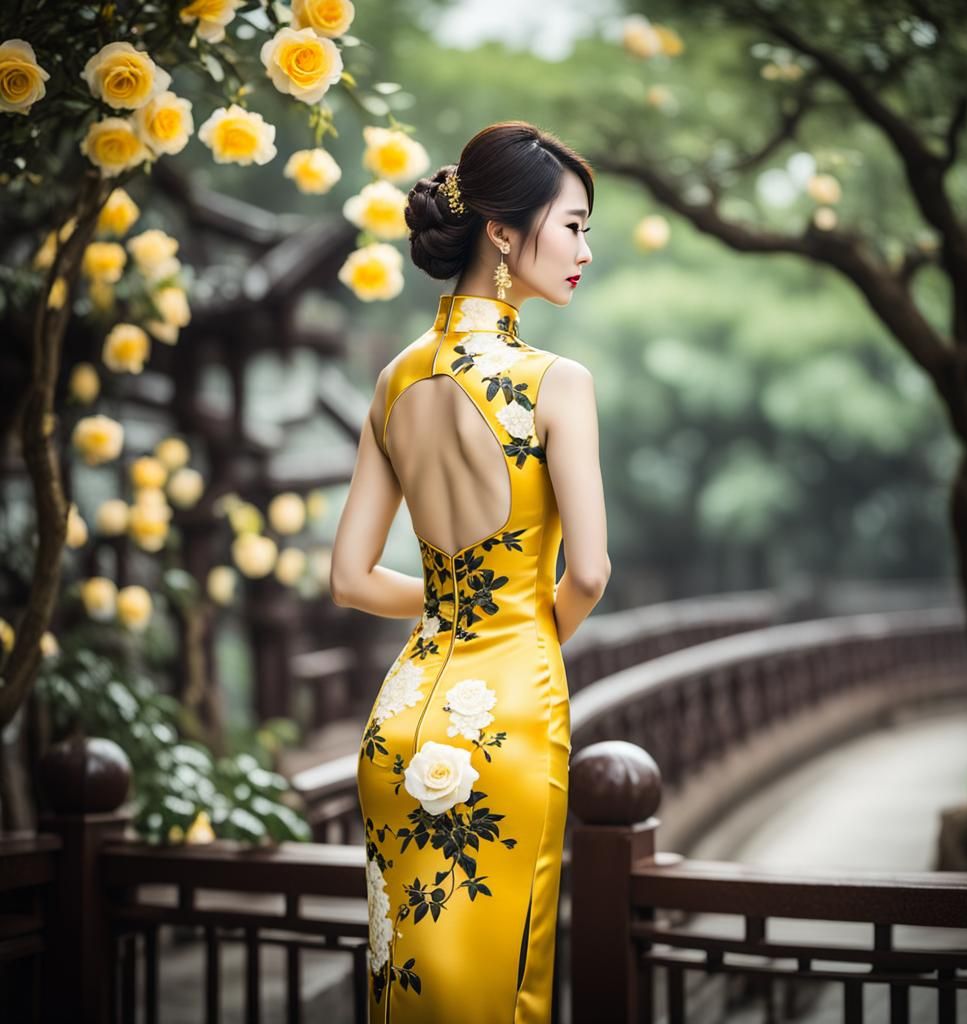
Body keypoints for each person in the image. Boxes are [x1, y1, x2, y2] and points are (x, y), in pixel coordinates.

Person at [330, 119, 611, 1023]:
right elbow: (590, 573)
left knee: (408, 990)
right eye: (573, 227)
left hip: (401, 723)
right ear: (502, 232)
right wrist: (517, 623)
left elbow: (351, 579)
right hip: (507, 721)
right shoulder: (555, 382)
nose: (584, 251)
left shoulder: (393, 380)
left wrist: (458, 608)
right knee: (500, 992)